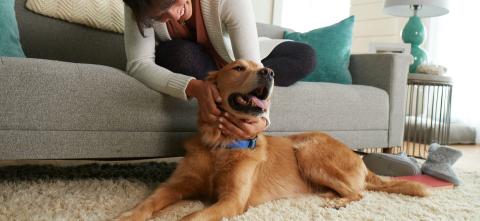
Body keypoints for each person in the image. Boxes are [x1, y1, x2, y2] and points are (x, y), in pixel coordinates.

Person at [123, 0, 316, 139]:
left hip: (241, 63)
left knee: (305, 55)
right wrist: (192, 86)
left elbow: (253, 64)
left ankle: (232, 86)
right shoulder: (138, 7)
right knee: (176, 52)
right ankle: (225, 85)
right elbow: (139, 63)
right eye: (159, 15)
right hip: (195, 64)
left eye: (171, 2)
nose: (173, 15)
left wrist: (263, 118)